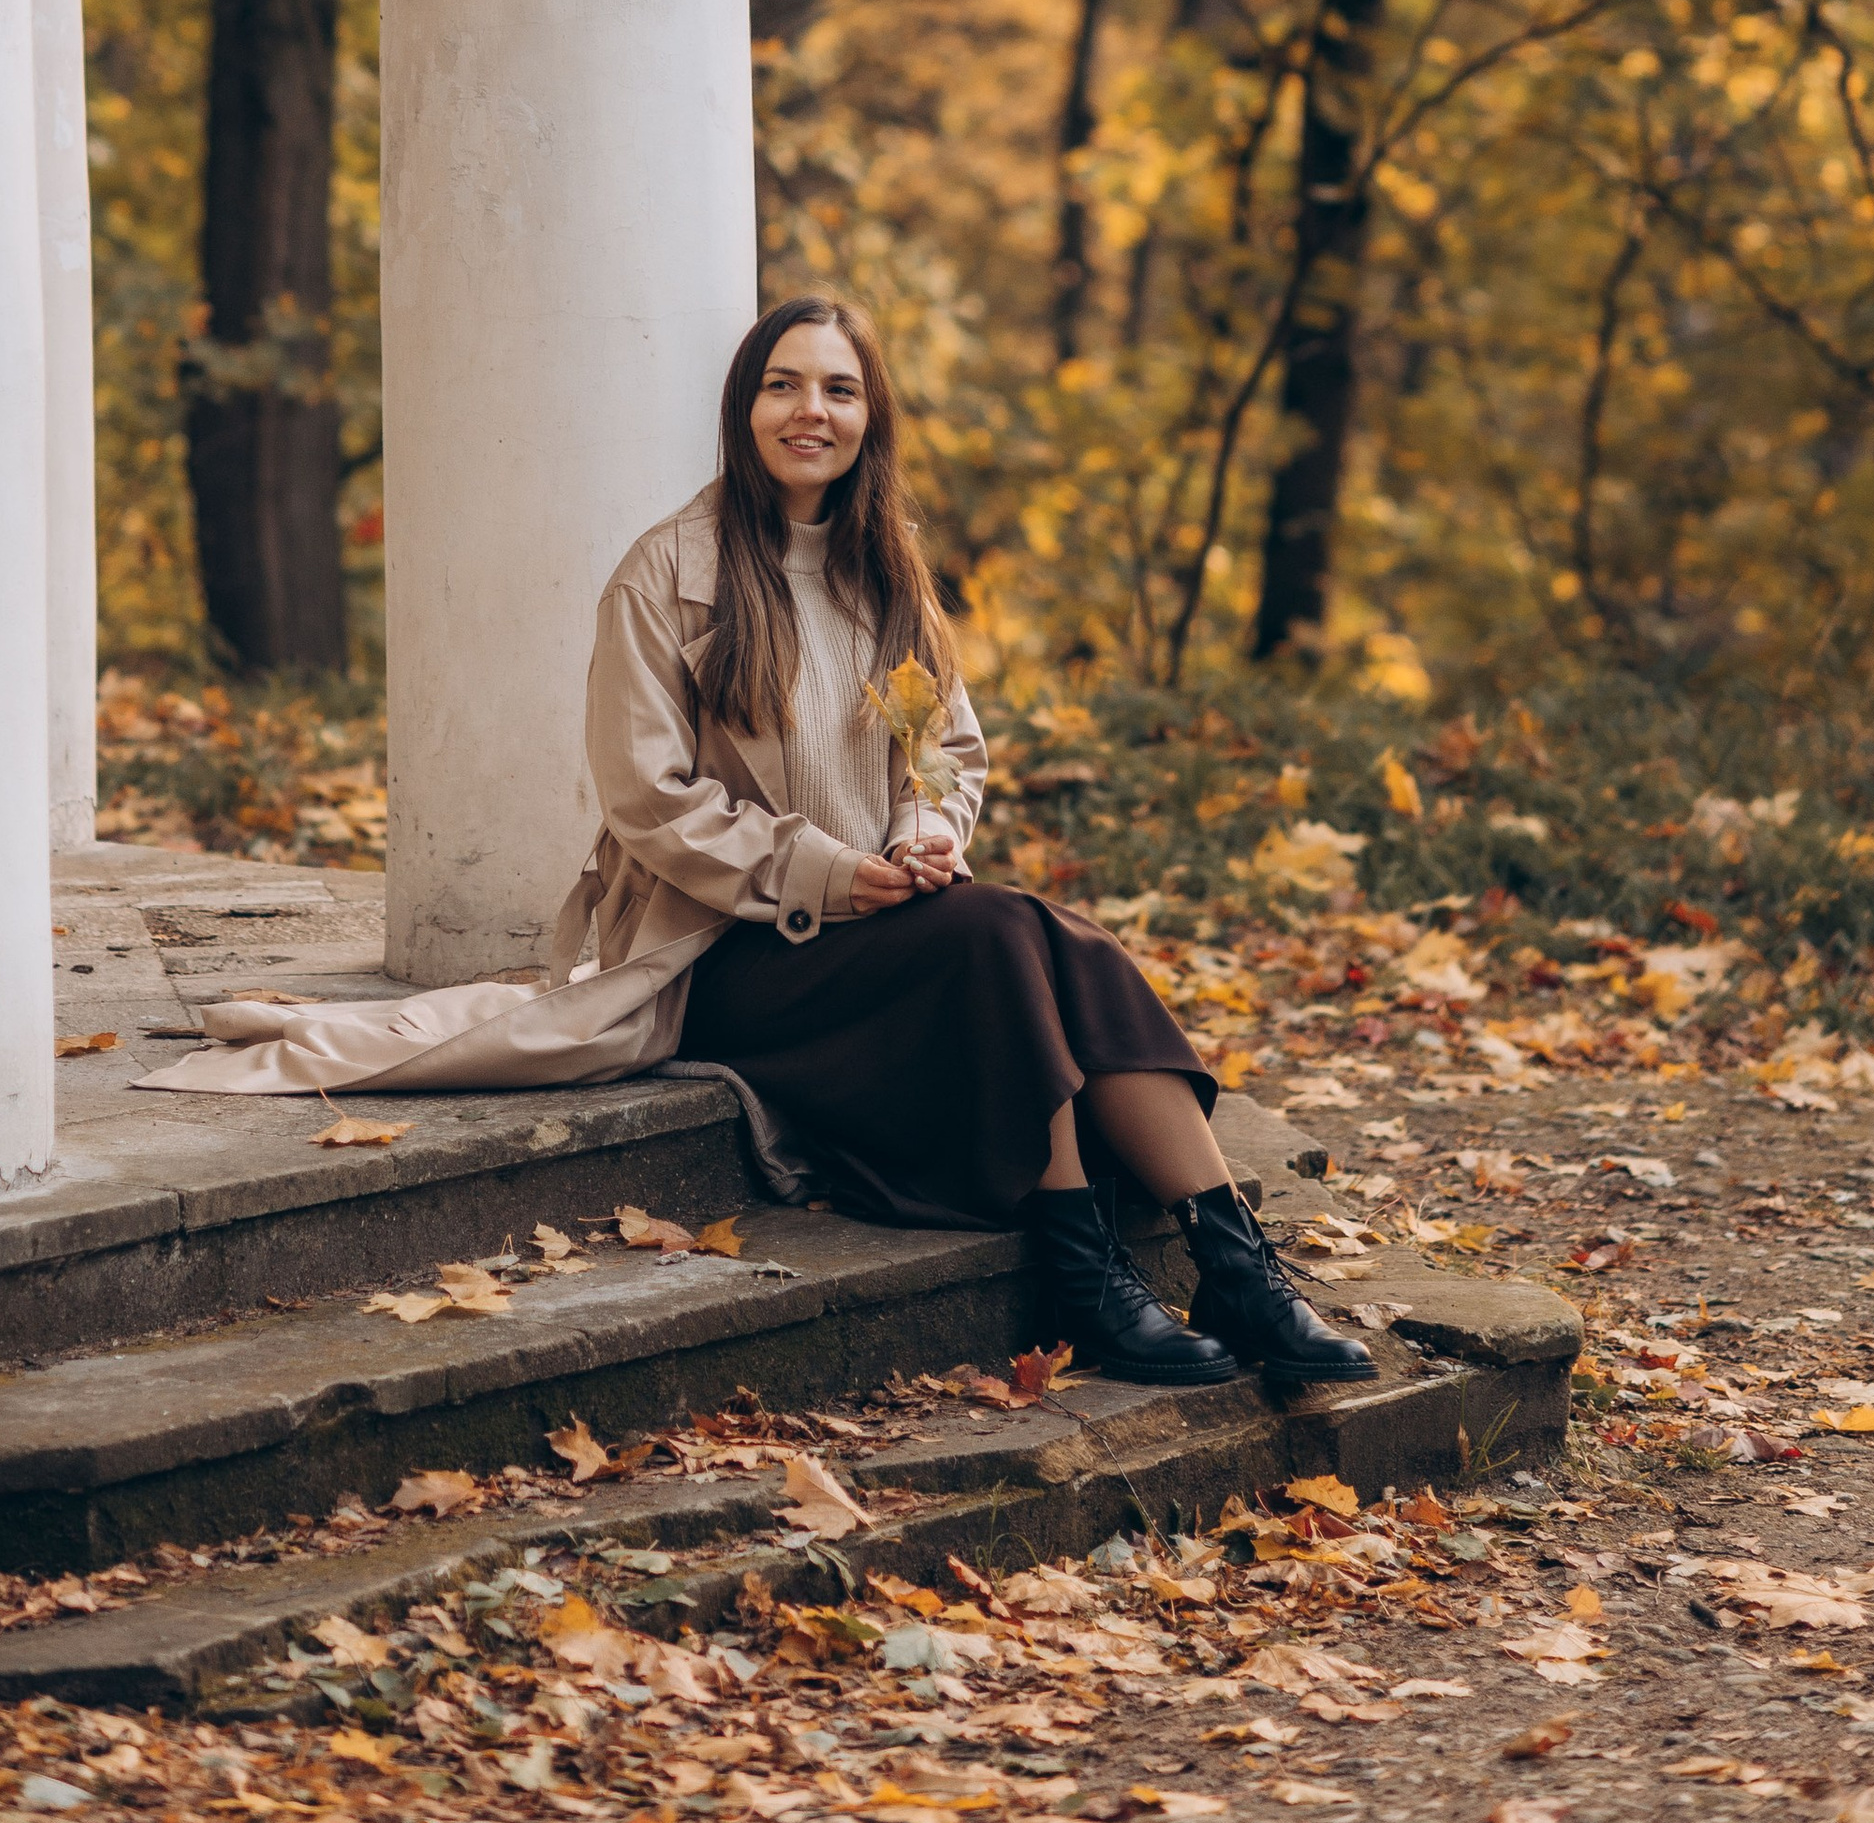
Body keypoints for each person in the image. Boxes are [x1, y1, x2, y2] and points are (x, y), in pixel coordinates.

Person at [588, 292, 1374, 1394]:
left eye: (839, 388)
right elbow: (649, 800)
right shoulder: (664, 574)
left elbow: (946, 750)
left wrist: (922, 833)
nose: (811, 410)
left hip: (879, 930)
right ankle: (1085, 1279)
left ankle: (1236, 1266)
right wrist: (826, 871)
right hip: (728, 951)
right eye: (783, 384)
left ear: (869, 416)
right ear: (743, 406)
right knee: (1003, 933)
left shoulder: (883, 565)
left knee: (1059, 940)